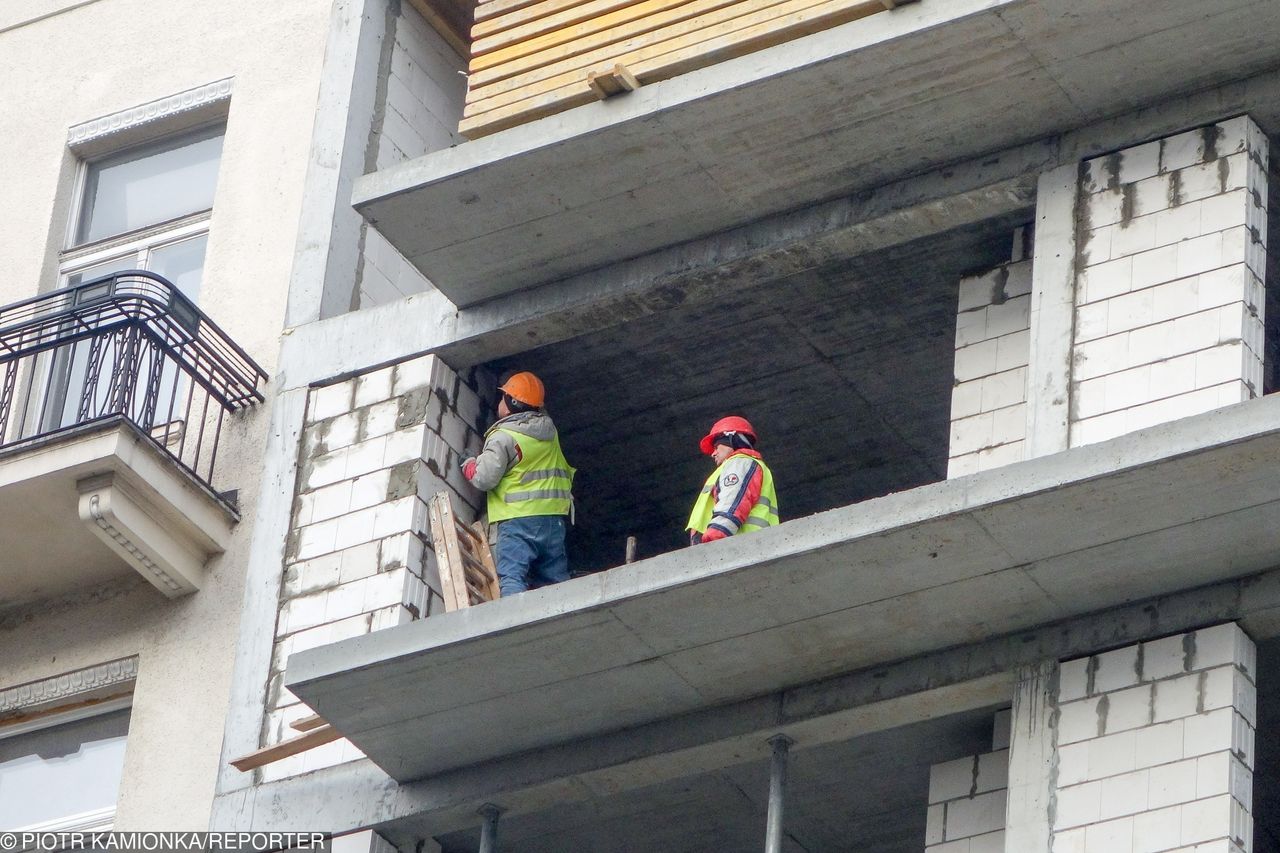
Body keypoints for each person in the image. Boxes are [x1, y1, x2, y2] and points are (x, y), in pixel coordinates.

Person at [461, 371, 575, 596]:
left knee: (513, 577)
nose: (499, 402)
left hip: (519, 521)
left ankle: (515, 626)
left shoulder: (504, 437)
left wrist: (467, 464)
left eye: (504, 397)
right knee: (556, 582)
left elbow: (484, 477)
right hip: (553, 521)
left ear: (512, 404)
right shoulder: (549, 431)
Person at [686, 416, 779, 544]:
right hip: (745, 546)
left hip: (736, 547)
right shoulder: (739, 465)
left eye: (716, 447)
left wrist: (716, 534)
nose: (713, 453)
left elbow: (733, 499)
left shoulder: (740, 463)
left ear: (731, 440)